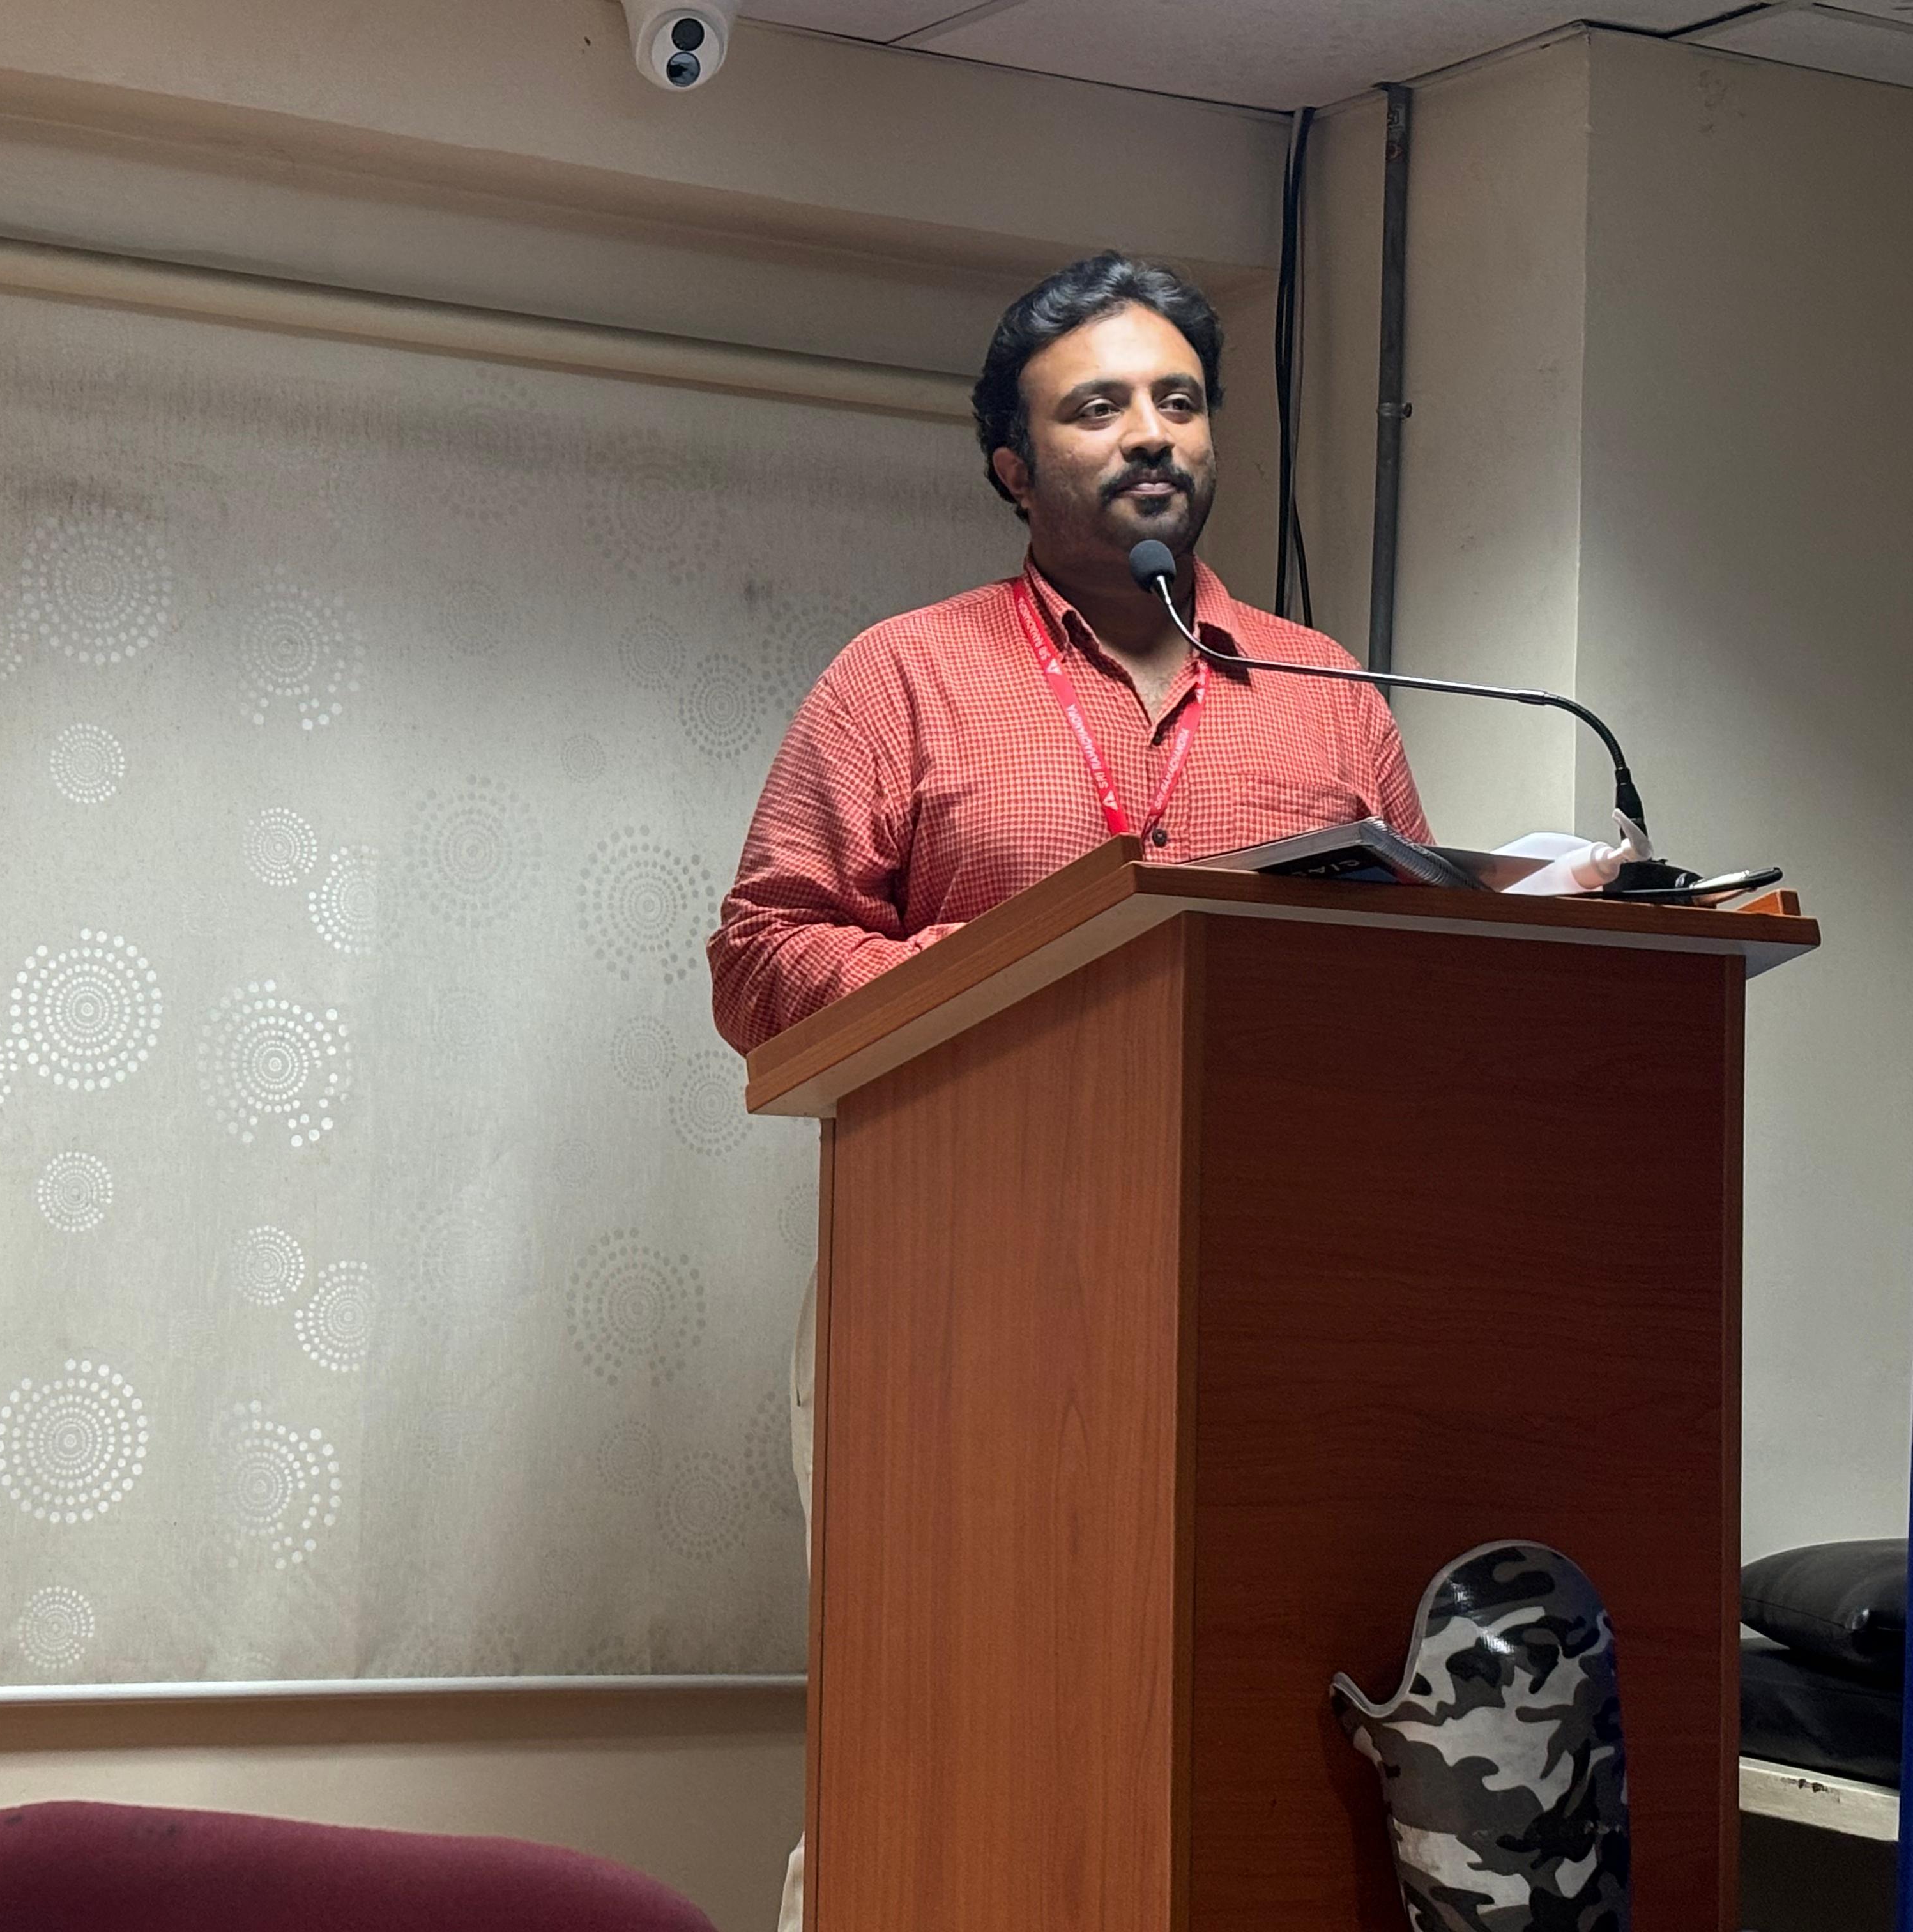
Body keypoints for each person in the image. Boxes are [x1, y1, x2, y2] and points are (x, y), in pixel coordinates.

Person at [706, 252, 1433, 1932]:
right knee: (938, 1718)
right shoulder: (901, 678)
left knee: (1222, 1724)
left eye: (1179, 399)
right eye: (1096, 408)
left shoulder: (1330, 695)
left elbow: (1417, 980)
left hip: (1268, 1296)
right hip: (953, 1285)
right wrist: (1033, 970)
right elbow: (762, 962)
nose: (1149, 432)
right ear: (1012, 465)